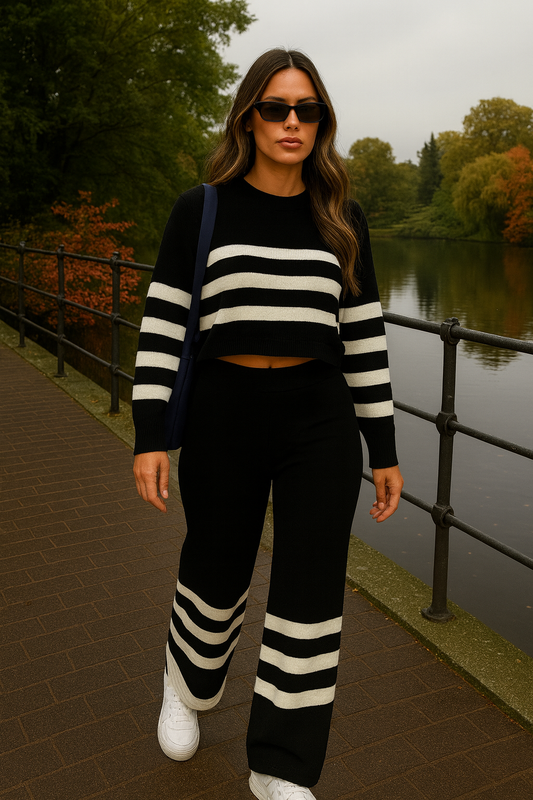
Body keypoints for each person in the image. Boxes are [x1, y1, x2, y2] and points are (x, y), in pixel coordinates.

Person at [132, 48, 403, 800]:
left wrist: (382, 446)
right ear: (247, 117)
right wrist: (149, 435)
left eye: (307, 109)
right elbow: (162, 326)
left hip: (319, 421)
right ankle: (185, 687)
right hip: (224, 415)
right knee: (215, 573)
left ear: (322, 120)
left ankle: (280, 765)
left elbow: (363, 338)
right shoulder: (202, 208)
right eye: (276, 108)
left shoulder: (341, 216)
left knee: (310, 592)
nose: (292, 122)